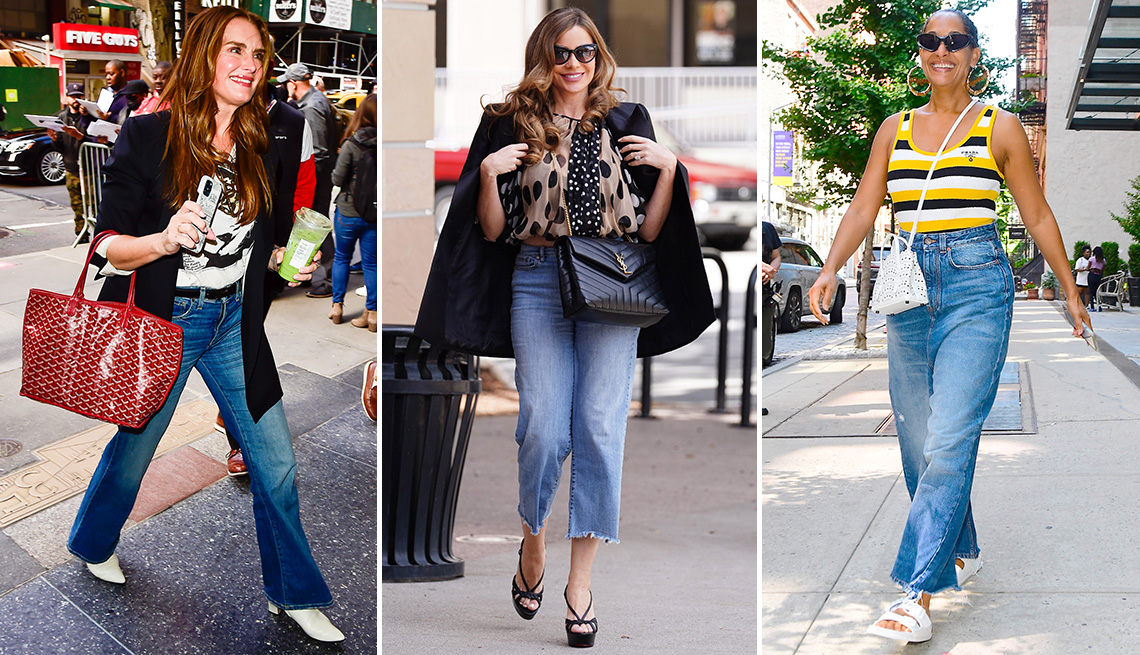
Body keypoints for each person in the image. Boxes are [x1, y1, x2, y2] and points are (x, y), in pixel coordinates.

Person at [416, 8, 715, 648]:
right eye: (560, 52)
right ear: (543, 58)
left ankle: (580, 584)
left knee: (600, 429)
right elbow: (491, 231)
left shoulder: (626, 121)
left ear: (598, 56)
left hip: (612, 284)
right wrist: (490, 177)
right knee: (544, 426)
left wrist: (669, 169)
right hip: (536, 275)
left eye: (584, 51)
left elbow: (655, 230)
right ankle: (532, 538)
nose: (574, 63)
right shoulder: (508, 122)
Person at [807, 8, 1089, 644]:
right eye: (930, 41)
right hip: (909, 291)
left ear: (973, 53)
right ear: (921, 53)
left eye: (954, 41)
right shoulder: (894, 128)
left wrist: (1070, 291)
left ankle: (917, 592)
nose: (942, 50)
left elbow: (1037, 215)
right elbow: (863, 204)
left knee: (951, 436)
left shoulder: (1002, 127)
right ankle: (959, 545)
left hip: (977, 286)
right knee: (918, 444)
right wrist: (829, 269)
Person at [66, 6, 344, 643]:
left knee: (274, 460)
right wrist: (163, 240)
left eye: (258, 53)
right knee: (132, 451)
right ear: (202, 57)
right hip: (166, 322)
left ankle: (294, 594)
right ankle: (91, 541)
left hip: (234, 325)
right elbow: (105, 242)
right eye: (235, 51)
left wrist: (282, 261)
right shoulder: (149, 136)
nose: (250, 65)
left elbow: (263, 239)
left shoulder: (263, 138)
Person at [278, 63, 338, 298]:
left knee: (316, 228)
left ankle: (331, 278)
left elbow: (318, 150)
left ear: (293, 83)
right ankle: (309, 273)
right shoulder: (314, 101)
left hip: (318, 178)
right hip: (320, 175)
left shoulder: (311, 107)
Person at [328, 93, 376, 331]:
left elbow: (337, 178)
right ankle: (373, 314)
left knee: (342, 258)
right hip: (374, 215)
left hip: (347, 211)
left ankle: (337, 307)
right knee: (372, 264)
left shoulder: (352, 144)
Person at [50, 82, 94, 241]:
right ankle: (81, 234)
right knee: (77, 205)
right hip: (71, 168)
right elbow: (60, 147)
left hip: (89, 169)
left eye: (79, 96)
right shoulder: (61, 117)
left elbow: (97, 140)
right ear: (66, 98)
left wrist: (82, 131)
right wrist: (54, 140)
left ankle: (99, 235)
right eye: (73, 96)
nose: (76, 100)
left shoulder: (89, 116)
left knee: (95, 206)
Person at [1087, 245, 1105, 311]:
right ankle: (1099, 306)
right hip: (1098, 276)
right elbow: (1102, 270)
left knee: (1091, 292)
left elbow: (1088, 268)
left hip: (1092, 275)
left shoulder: (1092, 259)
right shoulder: (1103, 260)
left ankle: (1092, 307)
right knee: (1096, 291)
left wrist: (1093, 269)